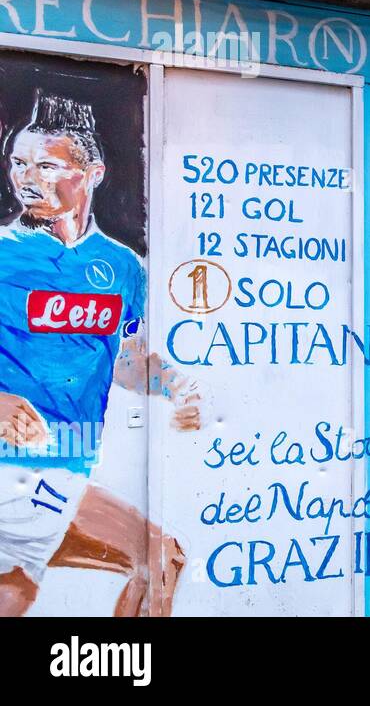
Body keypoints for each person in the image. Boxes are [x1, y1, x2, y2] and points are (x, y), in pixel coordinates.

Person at [0, 92, 196, 617]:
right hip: (16, 469)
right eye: (18, 163)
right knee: (159, 559)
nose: (27, 177)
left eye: (46, 165)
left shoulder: (123, 267)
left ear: (93, 173)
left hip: (68, 466)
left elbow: (120, 356)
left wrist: (172, 385)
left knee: (15, 594)